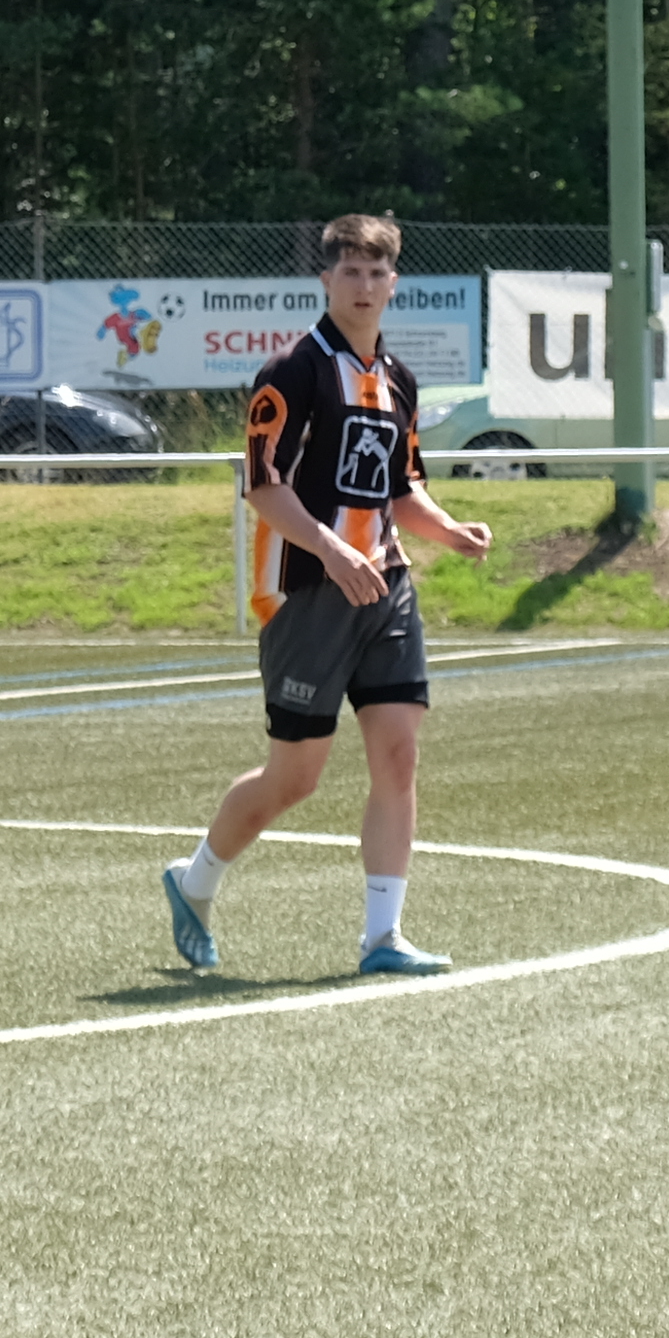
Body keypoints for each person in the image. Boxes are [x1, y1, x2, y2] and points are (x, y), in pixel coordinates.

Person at [158, 212, 493, 982]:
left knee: (399, 756)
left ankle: (383, 936)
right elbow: (262, 487)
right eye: (350, 272)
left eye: (378, 274)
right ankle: (195, 878)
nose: (365, 286)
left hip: (386, 587)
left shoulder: (400, 380)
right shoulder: (293, 370)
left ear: (394, 283)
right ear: (326, 280)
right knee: (296, 778)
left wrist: (448, 531)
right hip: (306, 590)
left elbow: (400, 488)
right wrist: (332, 548)